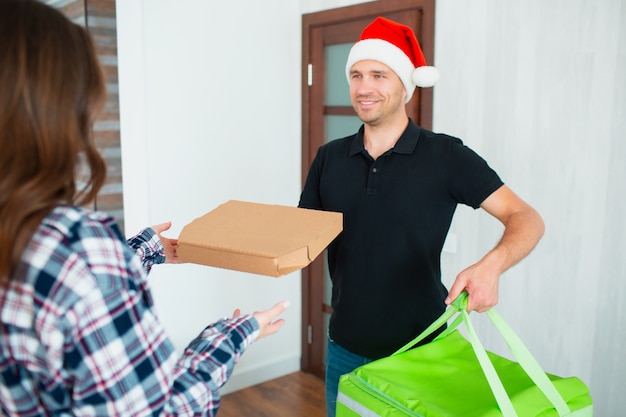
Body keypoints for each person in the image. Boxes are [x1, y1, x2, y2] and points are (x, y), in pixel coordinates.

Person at [0, 1, 288, 415]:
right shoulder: (80, 251)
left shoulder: (43, 247)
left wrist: (139, 250)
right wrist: (230, 336)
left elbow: (55, 300)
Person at [298, 16, 545, 416]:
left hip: (422, 349)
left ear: (406, 85)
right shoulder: (329, 157)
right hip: (343, 347)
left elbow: (526, 216)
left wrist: (491, 266)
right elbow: (300, 235)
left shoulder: (446, 156)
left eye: (379, 74)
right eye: (357, 75)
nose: (364, 88)